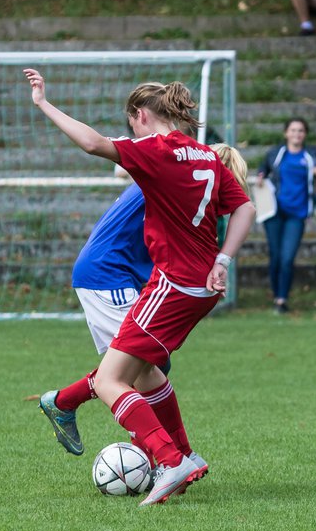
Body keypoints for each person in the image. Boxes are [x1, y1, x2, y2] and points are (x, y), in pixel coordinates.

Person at [23, 68, 255, 506]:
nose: (131, 130)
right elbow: (244, 209)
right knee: (144, 373)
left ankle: (169, 460)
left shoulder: (157, 151)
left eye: (131, 122)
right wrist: (224, 260)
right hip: (202, 286)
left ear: (142, 115)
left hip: (170, 283)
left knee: (113, 379)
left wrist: (43, 104)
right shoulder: (206, 156)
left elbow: (92, 143)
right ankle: (182, 454)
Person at [256, 117, 316, 314]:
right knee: (275, 256)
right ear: (286, 133)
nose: (297, 134)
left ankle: (282, 299)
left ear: (305, 134)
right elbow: (263, 168)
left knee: (287, 258)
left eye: (300, 130)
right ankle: (276, 295)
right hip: (275, 212)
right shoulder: (276, 153)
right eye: (293, 130)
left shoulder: (311, 154)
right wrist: (261, 176)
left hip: (298, 214)